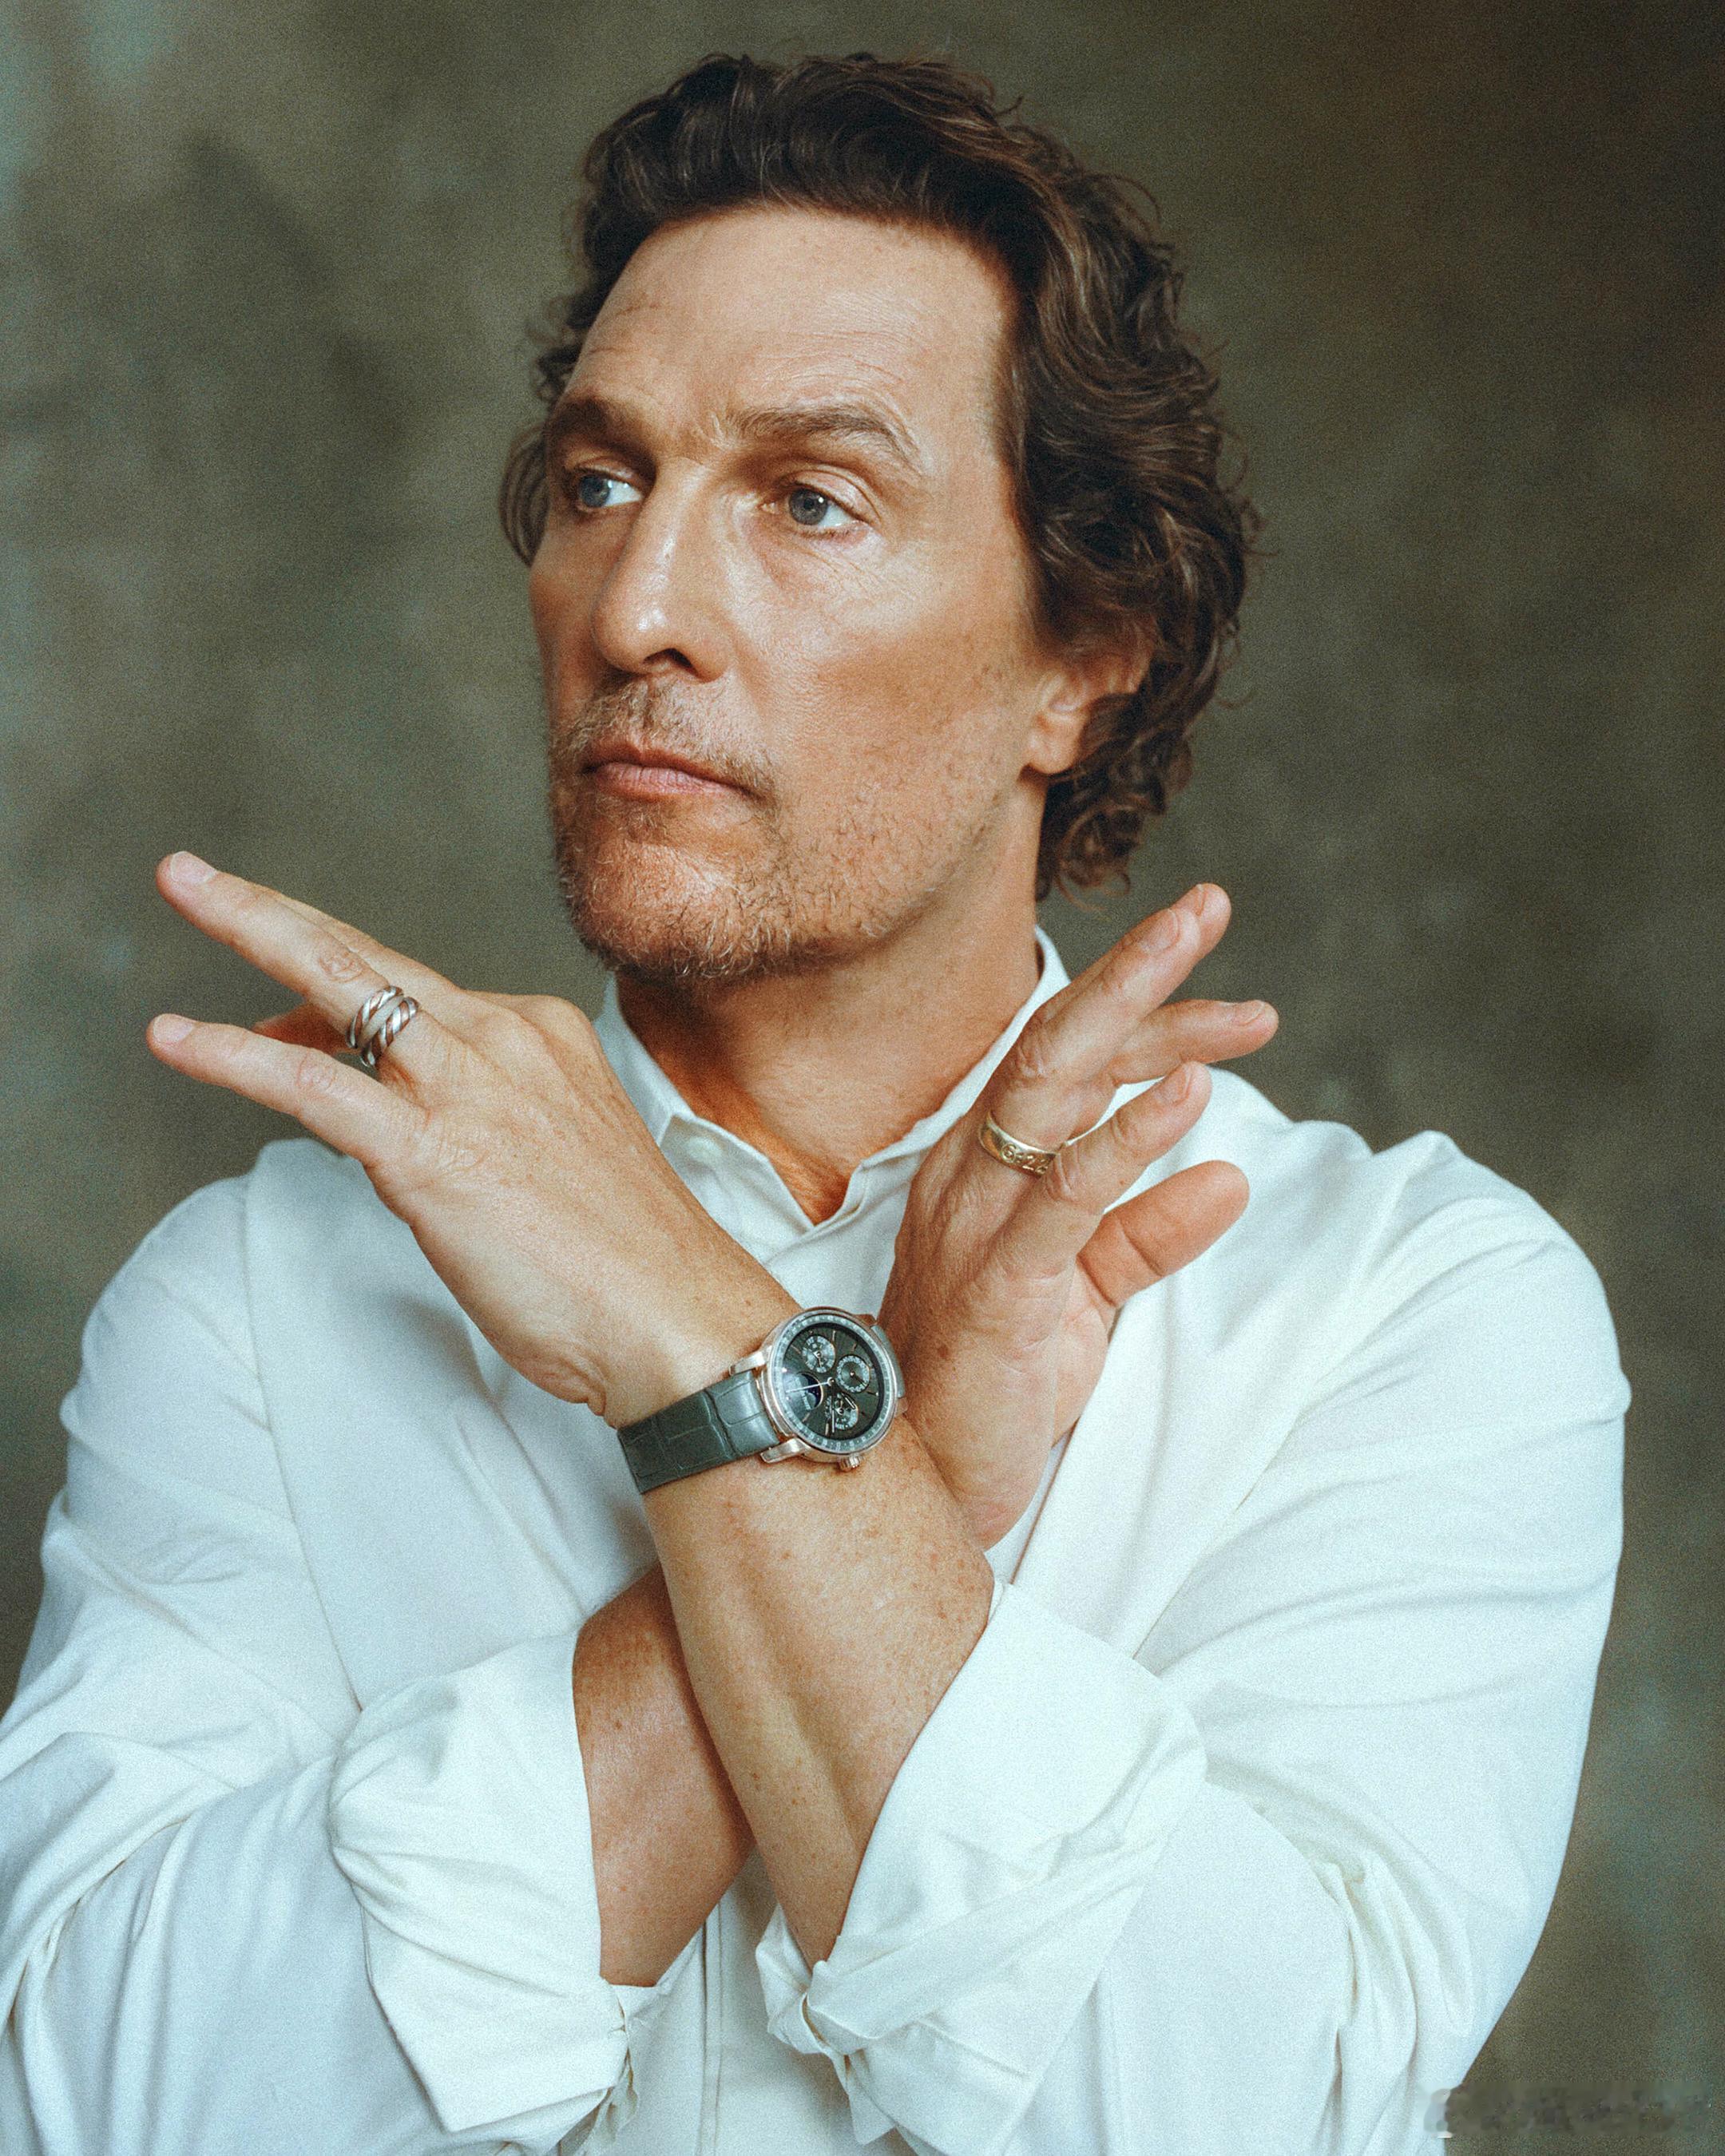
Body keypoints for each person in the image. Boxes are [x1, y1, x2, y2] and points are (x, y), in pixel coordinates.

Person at [0, 49, 1628, 2156]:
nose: (640, 611)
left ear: (1084, 654)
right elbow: (109, 2110)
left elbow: (1234, 2115)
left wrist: (705, 1357)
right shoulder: (255, 1299)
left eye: (809, 499)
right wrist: (897, 1454)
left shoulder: (1402, 1307)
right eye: (603, 481)